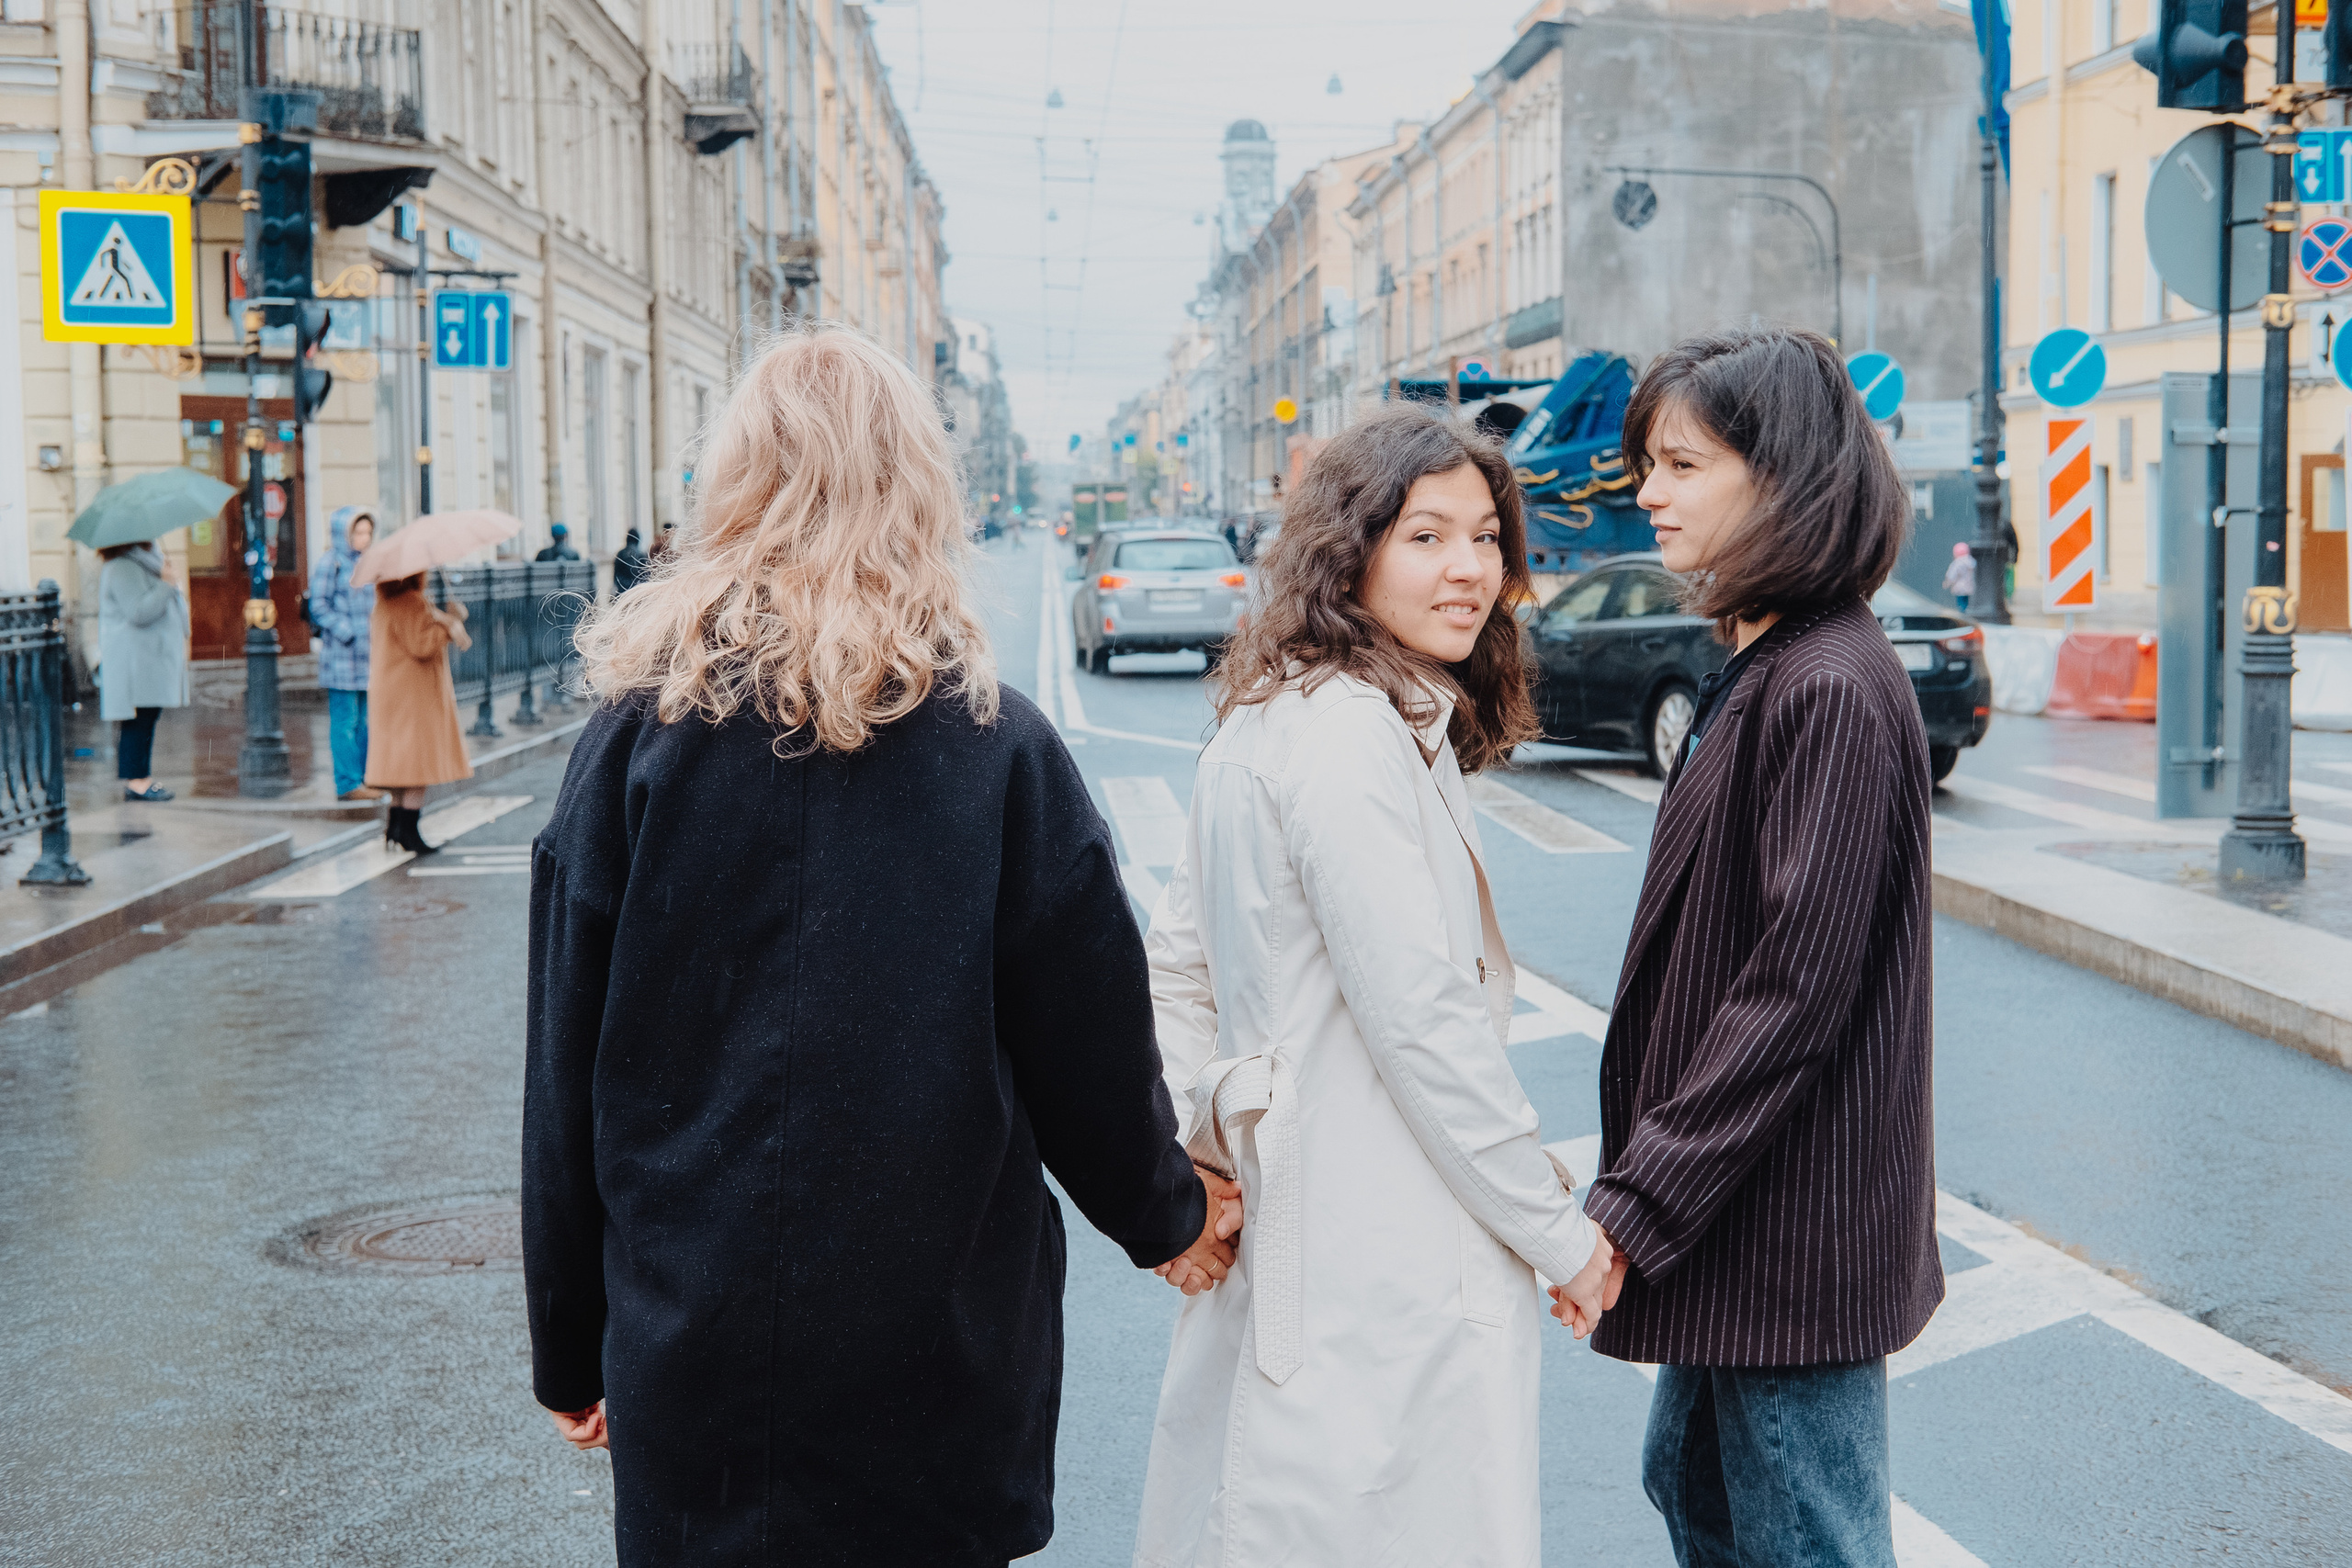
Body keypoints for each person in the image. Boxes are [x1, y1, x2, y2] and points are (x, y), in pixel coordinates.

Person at [521, 324, 1240, 1566]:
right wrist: (1169, 1214)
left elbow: (567, 1067)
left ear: (731, 490)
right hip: (935, 1340)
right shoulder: (997, 747)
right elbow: (1089, 1042)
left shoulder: (632, 748)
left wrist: (570, 1338)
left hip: (698, 1336)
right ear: (920, 493)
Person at [1133, 404, 1620, 1566]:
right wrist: (1560, 1237)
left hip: (1304, 1236)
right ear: (1350, 552)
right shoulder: (1352, 737)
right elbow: (1426, 1030)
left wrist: (1209, 1133)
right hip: (1381, 1254)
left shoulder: (1274, 714)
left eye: (1488, 538)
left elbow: (1171, 974)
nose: (1470, 570)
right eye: (1427, 536)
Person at [1577, 327, 1940, 1568]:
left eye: (1681, 462)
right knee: (1703, 1491)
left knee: (1799, 1534)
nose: (1648, 490)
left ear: (1779, 476)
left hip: (1790, 1230)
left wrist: (1635, 1202)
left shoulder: (1827, 682)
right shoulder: (1773, 660)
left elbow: (1794, 992)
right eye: (1647, 462)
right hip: (1746, 1221)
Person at [363, 573, 473, 853]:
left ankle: (395, 827)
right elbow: (422, 644)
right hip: (413, 695)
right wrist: (451, 625)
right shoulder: (411, 602)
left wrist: (447, 616)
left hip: (391, 693)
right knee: (418, 766)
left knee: (400, 768)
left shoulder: (384, 604)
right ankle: (409, 832)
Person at [98, 539, 189, 802]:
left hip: (148, 658)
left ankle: (141, 777)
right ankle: (136, 781)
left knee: (146, 716)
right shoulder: (122, 567)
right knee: (137, 718)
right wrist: (166, 584)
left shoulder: (146, 563)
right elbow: (138, 611)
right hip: (134, 659)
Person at [309, 507, 382, 800]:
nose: (364, 538)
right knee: (345, 722)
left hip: (369, 657)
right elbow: (319, 605)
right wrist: (347, 631)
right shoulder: (331, 562)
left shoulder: (369, 563)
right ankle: (348, 783)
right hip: (342, 657)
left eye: (367, 532)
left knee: (365, 721)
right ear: (344, 533)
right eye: (358, 532)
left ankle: (366, 777)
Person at [608, 525, 650, 594]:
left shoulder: (620, 554)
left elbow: (616, 574)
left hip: (623, 590)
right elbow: (645, 576)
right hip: (637, 591)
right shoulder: (641, 554)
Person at [1943, 539, 1975, 613]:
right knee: (1969, 603)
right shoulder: (1972, 561)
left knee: (1961, 604)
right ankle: (1968, 613)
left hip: (1960, 588)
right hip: (1970, 587)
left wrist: (1947, 583)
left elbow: (1951, 575)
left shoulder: (1957, 563)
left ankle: (1963, 615)